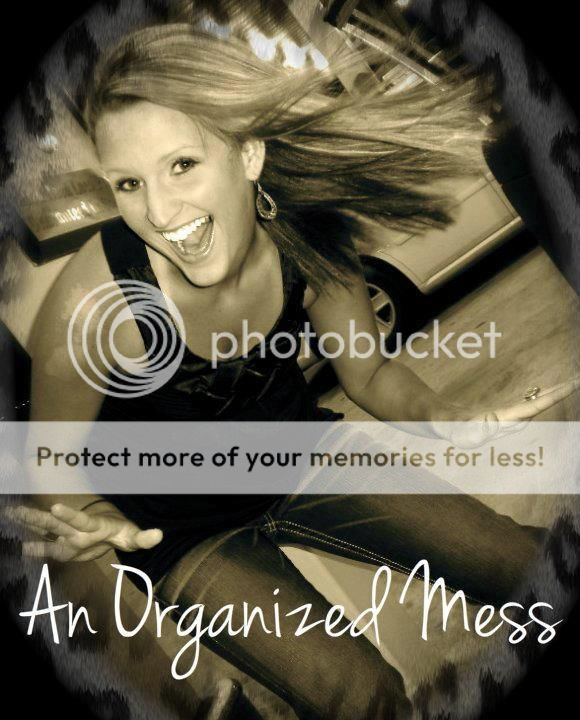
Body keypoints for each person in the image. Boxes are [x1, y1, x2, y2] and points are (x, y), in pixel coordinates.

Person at [10, 23, 578, 720]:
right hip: (182, 534)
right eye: (129, 183)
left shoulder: (306, 236)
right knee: (360, 694)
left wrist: (448, 417)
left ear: (248, 154)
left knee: (515, 563)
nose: (158, 212)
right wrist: (98, 519)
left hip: (301, 452)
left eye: (182, 165)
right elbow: (51, 460)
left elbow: (369, 372)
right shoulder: (96, 307)